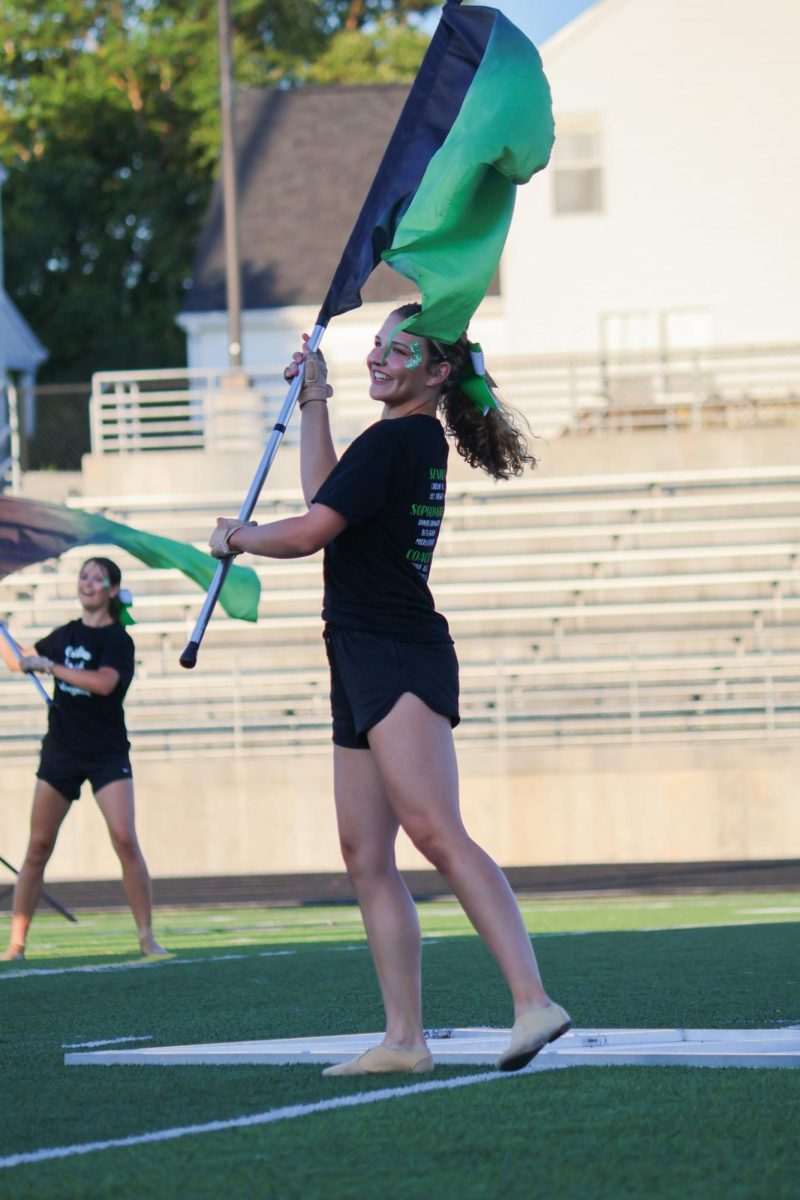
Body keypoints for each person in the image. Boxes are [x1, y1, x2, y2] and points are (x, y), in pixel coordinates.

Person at [209, 302, 570, 1074]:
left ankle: (533, 1002)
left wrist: (235, 538)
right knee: (365, 851)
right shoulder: (398, 440)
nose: (376, 356)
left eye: (394, 348)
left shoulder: (400, 436)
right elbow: (326, 498)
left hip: (396, 651)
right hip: (358, 652)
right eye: (372, 345)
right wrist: (315, 397)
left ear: (437, 371)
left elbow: (307, 533)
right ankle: (404, 1040)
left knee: (436, 832)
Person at [0, 557, 168, 961]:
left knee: (125, 839)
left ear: (112, 591)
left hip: (106, 752)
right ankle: (16, 945)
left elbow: (104, 683)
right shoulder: (65, 633)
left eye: (97, 578)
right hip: (62, 749)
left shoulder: (117, 639)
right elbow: (19, 660)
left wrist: (53, 667)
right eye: (83, 576)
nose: (87, 583)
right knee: (38, 846)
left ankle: (147, 938)